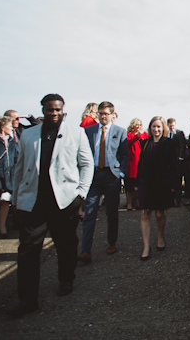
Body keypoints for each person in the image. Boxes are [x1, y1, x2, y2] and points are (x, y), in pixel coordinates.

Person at [5, 94, 92, 317]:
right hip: (33, 201)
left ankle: (66, 278)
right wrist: (16, 198)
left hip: (63, 201)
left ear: (63, 110)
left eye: (58, 110)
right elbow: (20, 167)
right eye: (50, 110)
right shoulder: (28, 135)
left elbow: (86, 164)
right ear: (43, 110)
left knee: (65, 244)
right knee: (27, 250)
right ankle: (27, 298)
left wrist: (80, 195)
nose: (54, 113)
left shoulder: (76, 133)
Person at [79, 101, 128, 263]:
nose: (103, 116)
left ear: (112, 115)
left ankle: (111, 242)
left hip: (111, 176)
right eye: (100, 113)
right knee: (89, 213)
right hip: (93, 176)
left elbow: (124, 155)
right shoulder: (88, 131)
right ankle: (86, 250)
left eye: (106, 113)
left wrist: (120, 173)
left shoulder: (120, 132)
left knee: (111, 212)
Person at [136, 116, 178, 260]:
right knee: (145, 214)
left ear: (163, 128)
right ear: (150, 128)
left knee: (159, 214)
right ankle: (146, 246)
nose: (156, 129)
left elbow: (174, 165)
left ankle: (160, 237)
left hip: (161, 183)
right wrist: (137, 183)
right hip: (146, 182)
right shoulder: (145, 143)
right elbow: (140, 164)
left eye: (159, 127)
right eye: (154, 126)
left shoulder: (169, 143)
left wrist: (174, 185)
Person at [125, 118, 148, 211]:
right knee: (129, 185)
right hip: (131, 163)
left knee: (140, 184)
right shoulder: (128, 135)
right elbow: (127, 143)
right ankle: (129, 203)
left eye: (139, 125)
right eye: (136, 124)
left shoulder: (144, 134)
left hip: (141, 162)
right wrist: (136, 136)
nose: (138, 126)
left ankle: (139, 203)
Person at [166, 118, 187, 206]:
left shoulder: (179, 133)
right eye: (170, 126)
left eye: (173, 125)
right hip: (168, 161)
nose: (171, 127)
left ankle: (177, 200)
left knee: (178, 179)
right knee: (169, 179)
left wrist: (181, 157)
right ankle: (170, 199)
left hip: (177, 160)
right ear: (168, 125)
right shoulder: (165, 134)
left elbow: (182, 145)